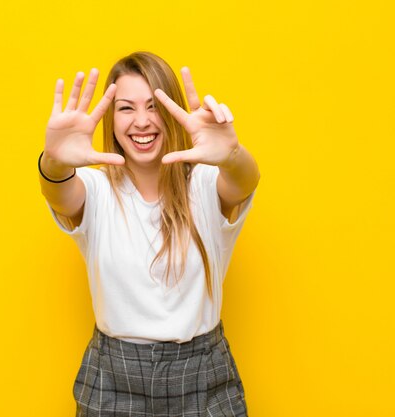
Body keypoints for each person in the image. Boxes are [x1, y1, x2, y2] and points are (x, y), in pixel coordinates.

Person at [39, 51, 259, 416]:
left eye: (153, 106)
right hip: (113, 379)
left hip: (203, 377)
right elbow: (58, 191)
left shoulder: (205, 182)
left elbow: (245, 179)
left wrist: (232, 154)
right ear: (110, 120)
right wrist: (54, 160)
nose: (141, 122)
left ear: (172, 112)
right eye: (126, 108)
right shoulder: (94, 189)